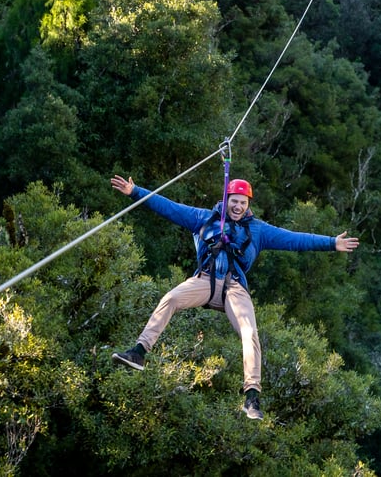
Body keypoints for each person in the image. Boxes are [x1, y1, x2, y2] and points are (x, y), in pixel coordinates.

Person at [109, 174, 358, 420]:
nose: (238, 206)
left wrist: (331, 243)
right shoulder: (204, 218)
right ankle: (139, 352)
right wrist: (136, 192)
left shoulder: (259, 230)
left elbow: (294, 239)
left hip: (234, 288)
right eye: (234, 201)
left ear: (248, 205)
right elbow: (170, 208)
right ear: (226, 200)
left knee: (249, 332)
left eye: (243, 202)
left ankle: (252, 396)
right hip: (205, 280)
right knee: (171, 298)